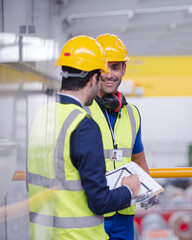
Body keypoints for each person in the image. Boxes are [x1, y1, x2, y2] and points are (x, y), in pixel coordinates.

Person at [26, 35, 141, 240]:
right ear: (93, 78)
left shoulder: (40, 115)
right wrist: (128, 189)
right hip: (77, 235)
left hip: (44, 233)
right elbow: (100, 201)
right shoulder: (82, 124)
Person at [85, 33, 154, 240]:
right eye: (103, 67)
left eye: (115, 67)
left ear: (123, 69)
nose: (109, 74)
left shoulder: (132, 114)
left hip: (124, 213)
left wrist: (148, 194)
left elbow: (138, 158)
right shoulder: (82, 111)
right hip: (94, 213)